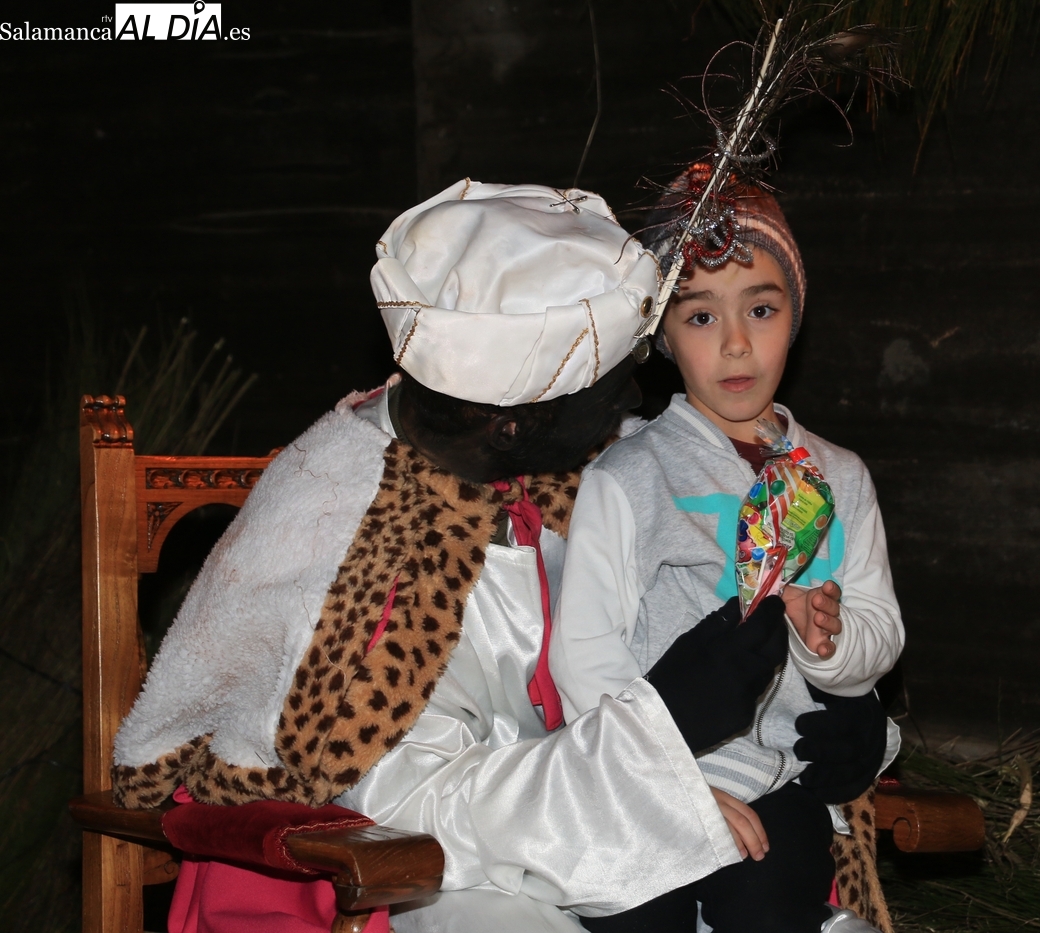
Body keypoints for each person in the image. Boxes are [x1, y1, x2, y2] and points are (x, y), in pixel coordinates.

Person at [111, 179, 888, 933]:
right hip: (415, 869)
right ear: (512, 425)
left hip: (602, 822)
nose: (633, 403)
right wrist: (656, 753)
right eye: (611, 388)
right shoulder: (352, 547)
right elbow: (417, 808)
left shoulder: (580, 458)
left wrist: (857, 725)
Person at [550, 164, 905, 933]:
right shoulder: (631, 476)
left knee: (770, 896)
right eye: (702, 316)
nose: (737, 343)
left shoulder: (840, 476)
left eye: (762, 309)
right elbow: (585, 655)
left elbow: (881, 632)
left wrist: (828, 645)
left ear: (796, 316)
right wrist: (662, 781)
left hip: (784, 782)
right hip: (653, 771)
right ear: (665, 336)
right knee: (641, 909)